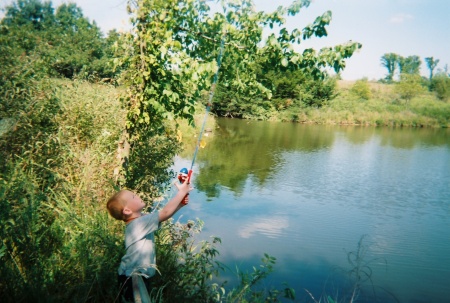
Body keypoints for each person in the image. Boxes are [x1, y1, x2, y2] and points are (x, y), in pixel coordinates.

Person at [106, 178, 192, 302]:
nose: (137, 195)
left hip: (135, 276)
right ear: (127, 210)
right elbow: (165, 212)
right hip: (131, 277)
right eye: (134, 197)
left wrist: (180, 204)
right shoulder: (138, 224)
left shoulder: (140, 220)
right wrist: (181, 193)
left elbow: (165, 214)